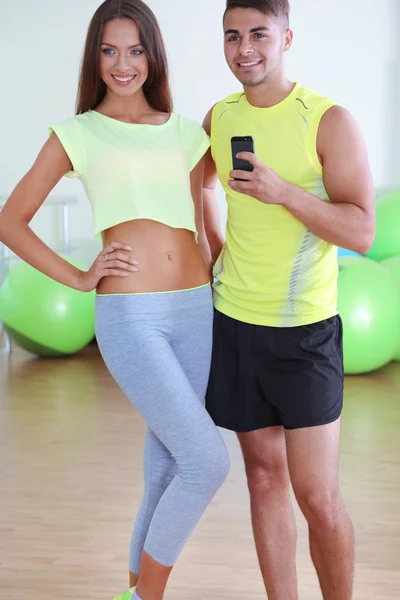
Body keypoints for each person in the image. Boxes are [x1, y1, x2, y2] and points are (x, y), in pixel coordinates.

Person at [0, 1, 230, 599]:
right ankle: (145, 597)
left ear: (152, 54)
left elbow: (204, 212)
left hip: (196, 308)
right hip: (133, 316)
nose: (122, 64)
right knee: (207, 462)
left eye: (134, 49)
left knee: (169, 467)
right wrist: (79, 276)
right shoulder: (77, 132)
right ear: (94, 57)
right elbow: (12, 220)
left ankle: (135, 591)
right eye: (109, 50)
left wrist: (225, 256)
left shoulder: (186, 132)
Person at [203, 1, 376, 599]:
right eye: (232, 36)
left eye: (257, 34)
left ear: (286, 38)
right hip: (236, 324)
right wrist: (214, 247)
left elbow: (361, 231)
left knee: (318, 497)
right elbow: (200, 179)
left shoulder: (328, 120)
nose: (244, 48)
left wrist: (284, 192)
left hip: (304, 333)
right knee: (263, 478)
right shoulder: (219, 117)